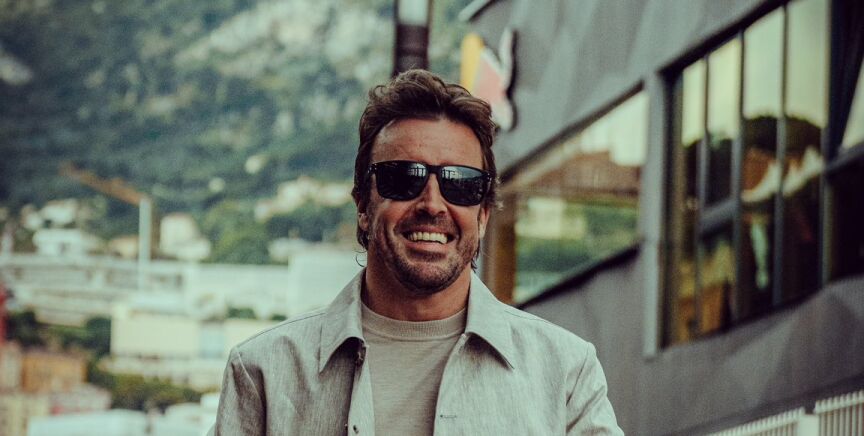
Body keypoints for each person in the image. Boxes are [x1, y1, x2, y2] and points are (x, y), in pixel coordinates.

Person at [211, 69, 623, 435]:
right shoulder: (264, 372)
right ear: (363, 206)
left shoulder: (565, 373)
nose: (432, 204)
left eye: (460, 183)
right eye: (404, 177)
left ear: (482, 215)